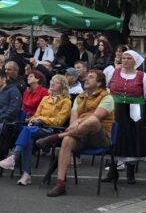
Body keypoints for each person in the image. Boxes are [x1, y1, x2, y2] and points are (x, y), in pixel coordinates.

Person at [44, 69, 116, 197]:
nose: (86, 79)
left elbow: (96, 116)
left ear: (99, 83)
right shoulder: (80, 97)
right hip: (80, 134)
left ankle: (57, 137)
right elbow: (73, 121)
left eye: (91, 77)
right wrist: (77, 123)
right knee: (67, 141)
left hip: (99, 137)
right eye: (87, 77)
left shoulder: (107, 97)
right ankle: (60, 184)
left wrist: (80, 120)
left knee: (93, 121)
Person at [0, 73, 71, 185]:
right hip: (37, 128)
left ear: (62, 86)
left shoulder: (66, 101)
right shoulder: (45, 99)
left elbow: (59, 121)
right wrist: (33, 119)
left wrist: (41, 119)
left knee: (27, 131)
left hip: (52, 130)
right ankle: (26, 174)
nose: (51, 83)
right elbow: (36, 115)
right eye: (51, 80)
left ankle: (14, 157)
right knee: (28, 138)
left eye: (56, 82)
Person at [106, 49, 146, 184]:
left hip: (136, 110)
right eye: (123, 58)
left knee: (133, 138)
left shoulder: (144, 77)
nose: (125, 61)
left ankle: (130, 171)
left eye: (128, 58)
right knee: (115, 137)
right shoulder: (113, 72)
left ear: (135, 61)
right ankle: (113, 170)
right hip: (116, 109)